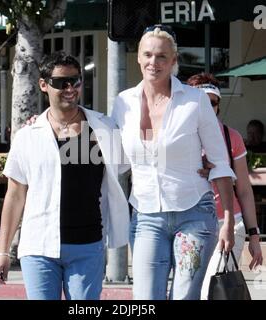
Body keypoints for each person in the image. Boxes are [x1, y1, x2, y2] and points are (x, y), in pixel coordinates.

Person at [0, 51, 130, 300]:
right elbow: (14, 196)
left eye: (75, 81)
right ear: (43, 85)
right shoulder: (29, 135)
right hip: (39, 247)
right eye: (60, 82)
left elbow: (134, 164)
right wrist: (3, 252)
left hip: (88, 245)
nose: (70, 88)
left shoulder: (103, 128)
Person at [111, 24, 236, 300]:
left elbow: (220, 163)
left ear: (174, 60)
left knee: (184, 297)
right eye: (148, 55)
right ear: (138, 58)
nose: (153, 62)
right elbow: (108, 149)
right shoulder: (123, 103)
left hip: (194, 214)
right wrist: (54, 121)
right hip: (146, 215)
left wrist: (227, 219)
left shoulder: (194, 101)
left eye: (161, 57)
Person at [187, 73, 263, 299]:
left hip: (228, 224)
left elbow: (244, 191)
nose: (209, 108)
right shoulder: (178, 137)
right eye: (203, 102)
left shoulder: (231, 137)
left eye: (213, 103)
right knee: (188, 292)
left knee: (208, 292)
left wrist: (254, 236)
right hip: (189, 225)